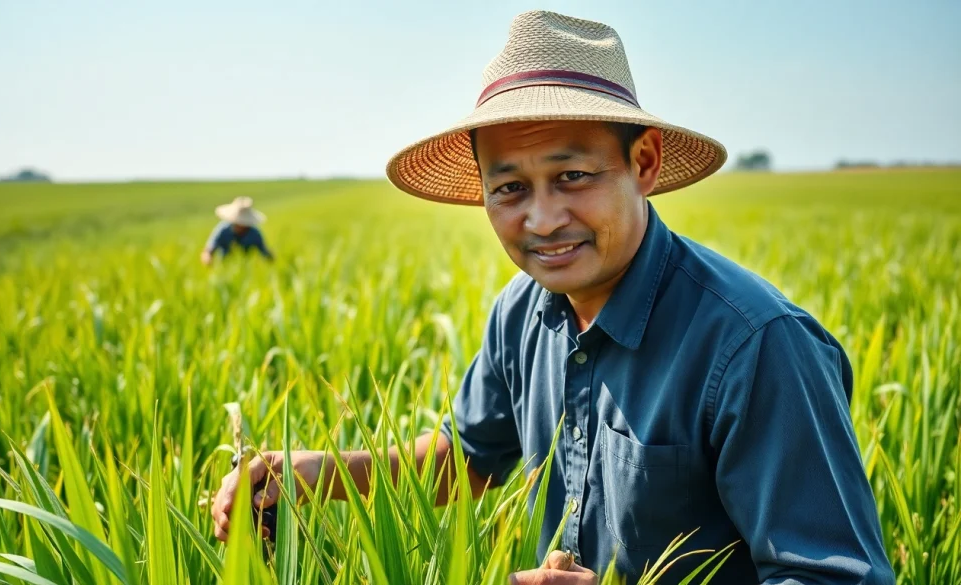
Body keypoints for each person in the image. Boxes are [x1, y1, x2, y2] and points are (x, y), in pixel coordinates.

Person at [212, 10, 895, 584]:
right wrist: (316, 472)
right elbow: (465, 461)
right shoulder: (522, 311)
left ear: (645, 163)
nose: (541, 220)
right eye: (510, 188)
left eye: (572, 174)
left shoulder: (755, 346)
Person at [201, 196, 273, 265]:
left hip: (245, 268)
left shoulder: (254, 233)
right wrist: (208, 260)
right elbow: (208, 250)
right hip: (224, 266)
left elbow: (265, 253)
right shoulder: (223, 230)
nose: (241, 225)